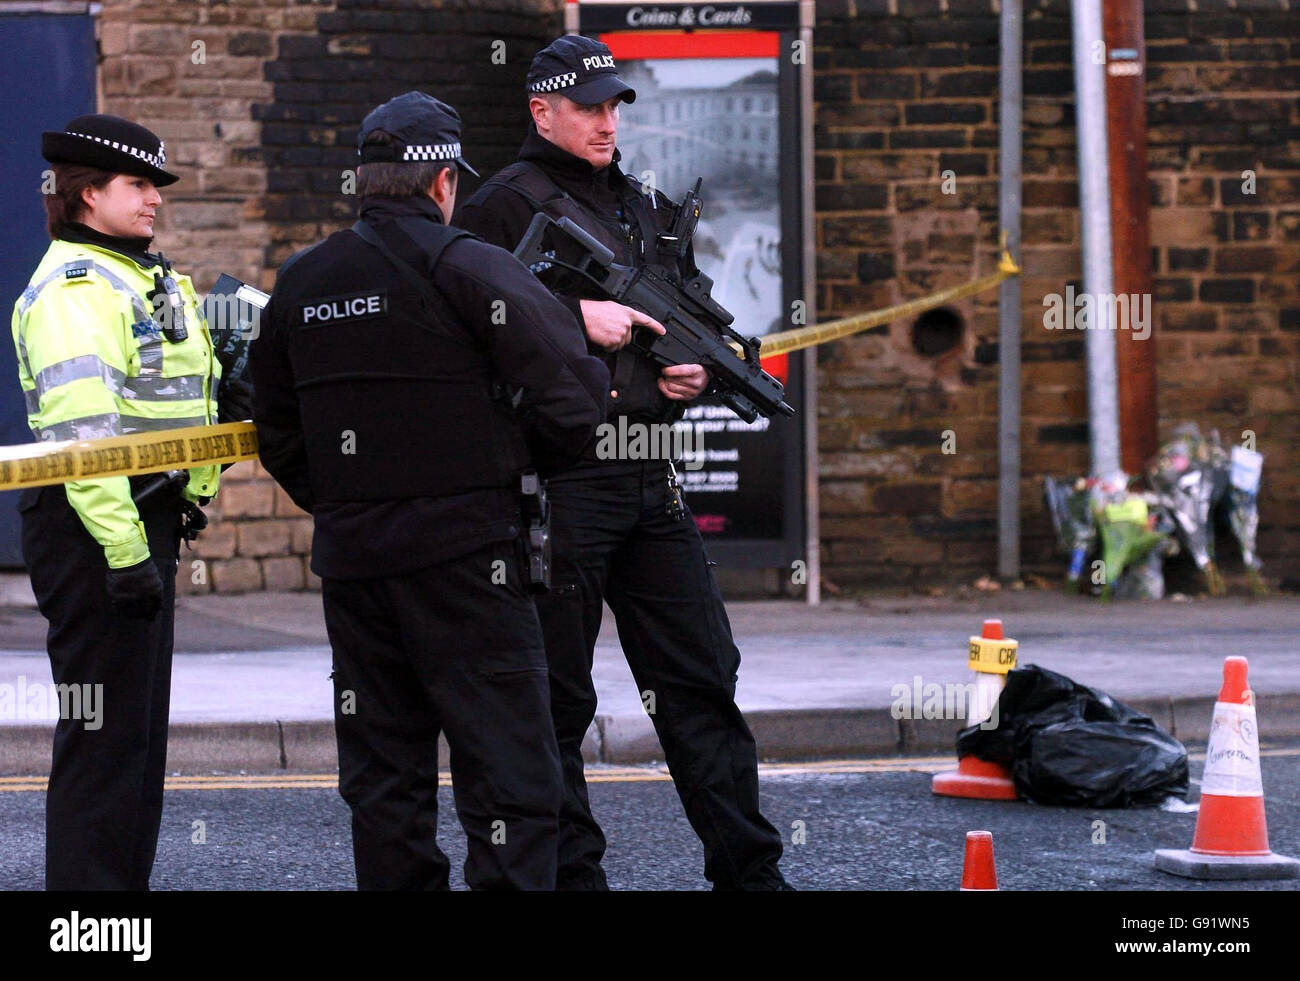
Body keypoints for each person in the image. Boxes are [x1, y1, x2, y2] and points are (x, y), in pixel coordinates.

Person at [250, 91, 609, 890]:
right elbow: (576, 403)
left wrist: (348, 500)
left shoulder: (302, 283)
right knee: (511, 779)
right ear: (444, 182)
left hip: (356, 569)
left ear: (365, 182)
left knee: (385, 780)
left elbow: (272, 427)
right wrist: (510, 465)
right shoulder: (470, 265)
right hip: (469, 561)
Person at [457, 36, 789, 890]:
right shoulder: (500, 206)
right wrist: (576, 318)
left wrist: (683, 376)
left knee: (701, 681)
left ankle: (750, 874)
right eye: (590, 106)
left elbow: (659, 333)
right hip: (558, 480)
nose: (608, 122)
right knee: (557, 703)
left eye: (615, 106)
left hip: (649, 474)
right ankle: (575, 880)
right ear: (542, 110)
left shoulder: (639, 204)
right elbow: (474, 336)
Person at [11, 114, 228, 889]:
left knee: (135, 742)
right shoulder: (77, 289)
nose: (154, 201)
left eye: (154, 186)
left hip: (140, 522)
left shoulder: (143, 274)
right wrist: (129, 554)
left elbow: (180, 399)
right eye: (138, 185)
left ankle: (116, 913)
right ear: (85, 194)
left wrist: (192, 494)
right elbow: (84, 437)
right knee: (103, 744)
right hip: (98, 530)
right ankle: (88, 927)